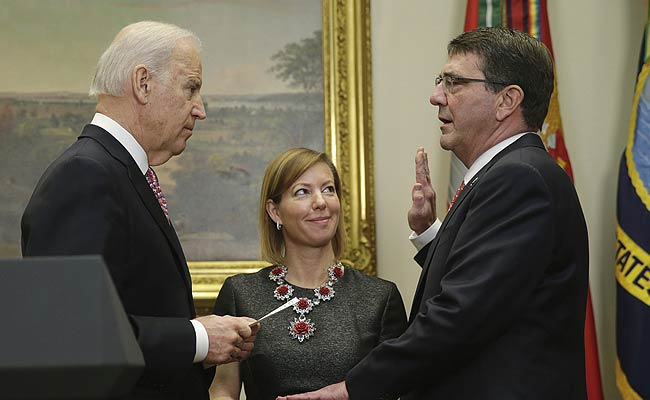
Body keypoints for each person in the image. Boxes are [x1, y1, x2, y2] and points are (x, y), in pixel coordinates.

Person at [278, 27, 589, 400]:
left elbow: (461, 316)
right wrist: (430, 234)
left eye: (454, 82)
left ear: (506, 101)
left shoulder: (518, 177)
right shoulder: (511, 173)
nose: (436, 96)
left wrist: (351, 389)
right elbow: (493, 280)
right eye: (441, 81)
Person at [21, 21, 259, 399]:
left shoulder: (117, 171)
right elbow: (68, 334)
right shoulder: (86, 174)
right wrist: (199, 338)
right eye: (191, 88)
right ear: (143, 83)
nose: (201, 110)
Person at [210, 147, 407, 400]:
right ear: (275, 211)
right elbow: (222, 390)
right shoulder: (240, 293)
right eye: (303, 192)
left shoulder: (380, 297)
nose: (321, 202)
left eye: (328, 189)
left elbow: (396, 390)